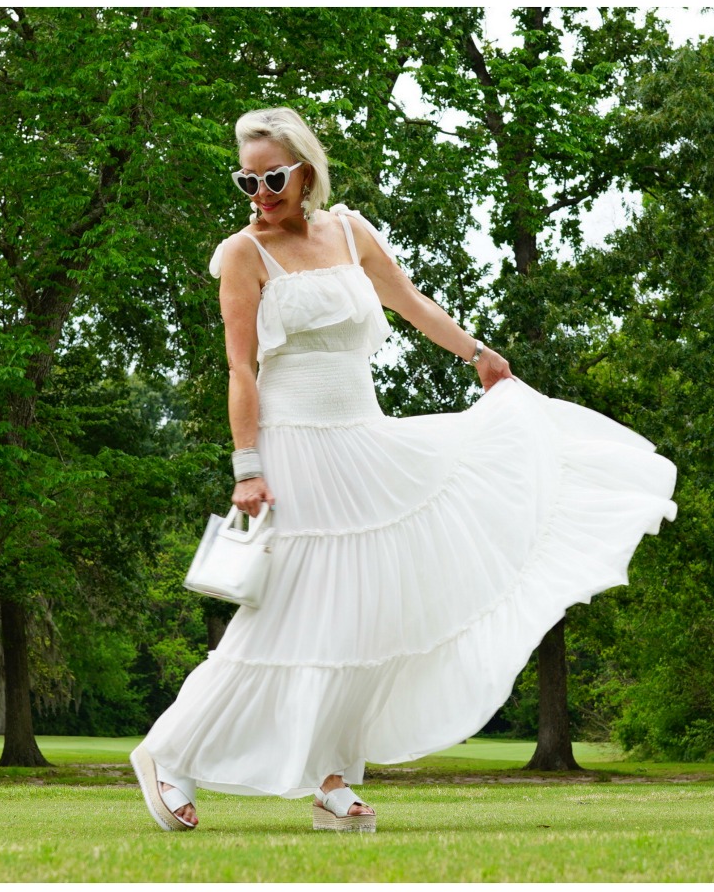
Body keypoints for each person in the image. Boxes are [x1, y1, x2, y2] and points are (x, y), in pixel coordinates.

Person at [130, 107, 677, 833]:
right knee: (286, 616)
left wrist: (477, 353)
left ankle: (330, 781)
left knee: (363, 615)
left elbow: (411, 303)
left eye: (272, 177)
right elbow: (240, 366)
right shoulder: (242, 253)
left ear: (306, 170)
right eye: (247, 180)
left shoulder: (350, 232)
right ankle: (170, 755)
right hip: (295, 447)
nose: (259, 192)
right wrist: (247, 466)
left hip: (365, 439)